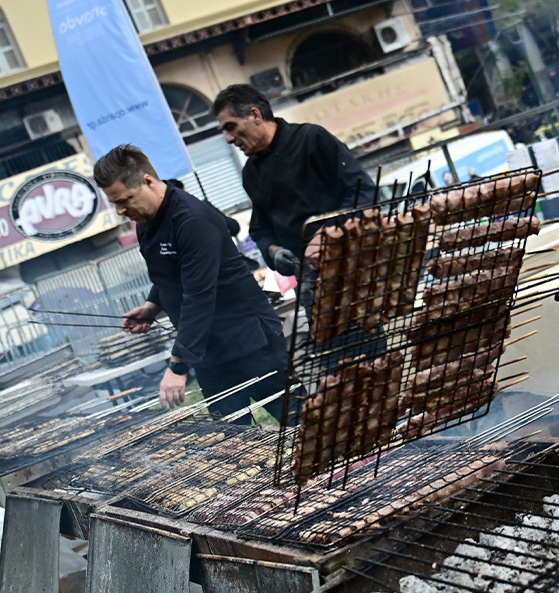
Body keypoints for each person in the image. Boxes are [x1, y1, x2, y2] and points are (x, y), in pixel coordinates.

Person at [94, 145, 288, 423]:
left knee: (299, 420)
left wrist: (178, 365)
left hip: (252, 342)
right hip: (209, 353)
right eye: (114, 203)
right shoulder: (146, 220)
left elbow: (199, 295)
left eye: (124, 200)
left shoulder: (192, 220)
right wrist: (152, 306)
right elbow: (170, 276)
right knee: (232, 436)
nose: (120, 210)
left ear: (148, 182)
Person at [211, 84, 375, 279]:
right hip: (311, 278)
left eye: (231, 127)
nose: (228, 139)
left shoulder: (311, 139)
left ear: (255, 115)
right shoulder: (250, 173)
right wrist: (273, 250)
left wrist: (328, 233)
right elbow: (260, 228)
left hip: (360, 262)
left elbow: (364, 192)